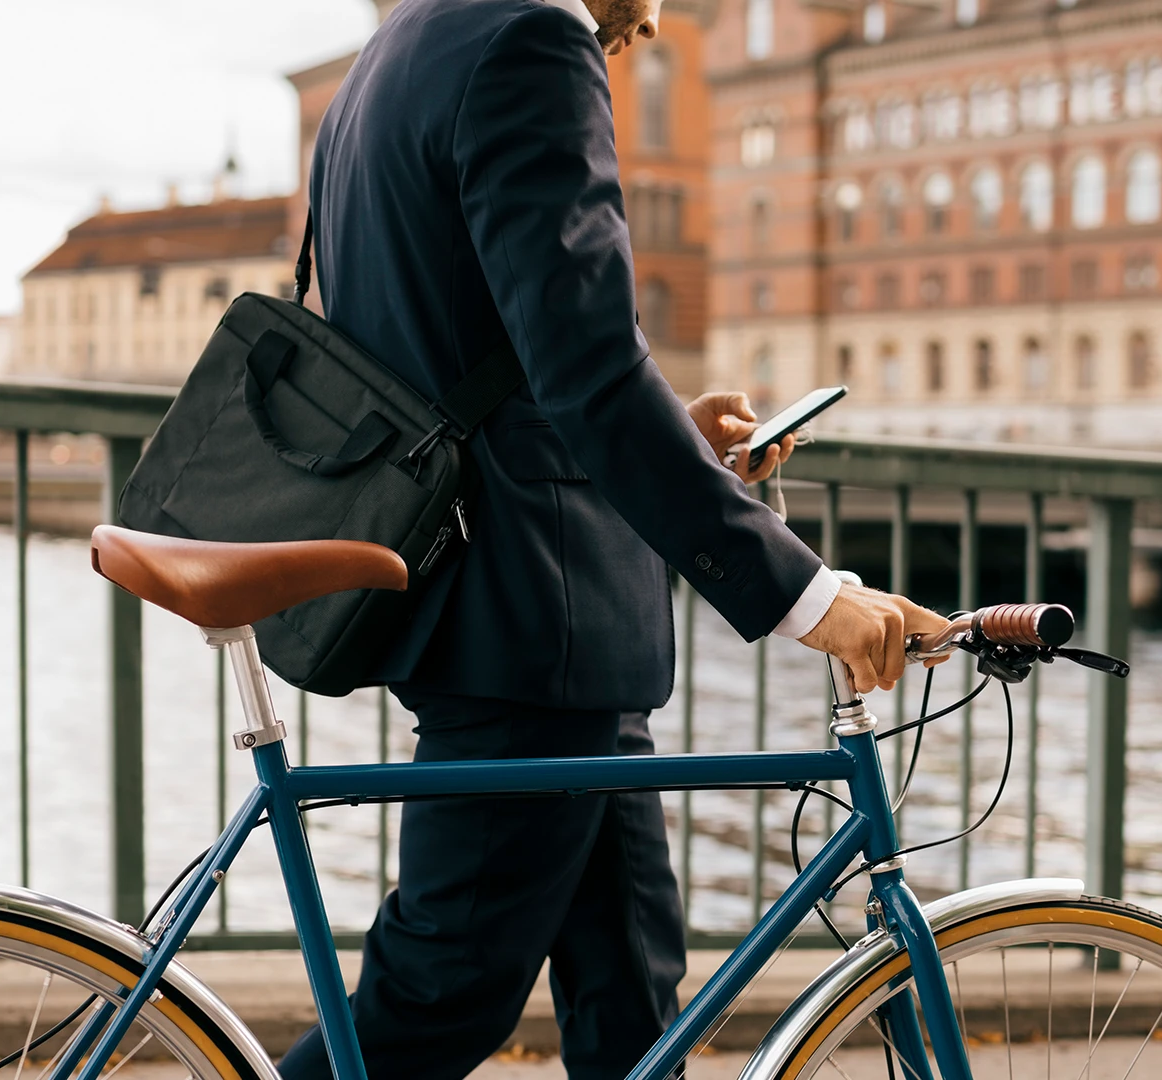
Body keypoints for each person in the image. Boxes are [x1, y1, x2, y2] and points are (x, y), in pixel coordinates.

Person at [276, 2, 949, 1077]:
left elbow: (472, 347)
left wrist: (665, 436)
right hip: (531, 625)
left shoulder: (405, 40)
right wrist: (811, 598)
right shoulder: (533, 38)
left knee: (635, 1003)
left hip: (534, 614)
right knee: (433, 1005)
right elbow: (585, 364)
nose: (656, 17)